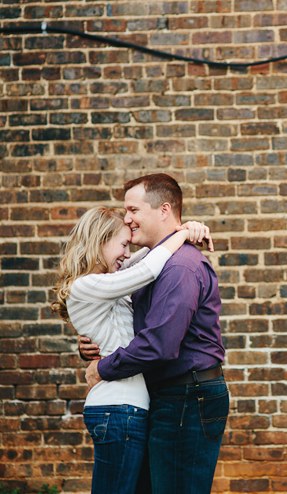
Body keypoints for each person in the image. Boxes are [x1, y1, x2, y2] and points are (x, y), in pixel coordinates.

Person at [82, 173, 228, 494]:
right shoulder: (155, 263)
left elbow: (158, 345)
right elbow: (130, 323)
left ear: (163, 210)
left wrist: (101, 369)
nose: (127, 218)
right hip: (168, 396)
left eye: (133, 210)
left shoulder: (179, 268)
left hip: (186, 398)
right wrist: (93, 344)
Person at [51, 206, 211, 494]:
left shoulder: (107, 282)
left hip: (126, 409)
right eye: (123, 244)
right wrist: (185, 232)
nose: (127, 253)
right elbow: (149, 267)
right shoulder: (88, 285)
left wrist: (183, 229)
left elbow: (146, 256)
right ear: (99, 241)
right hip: (116, 409)